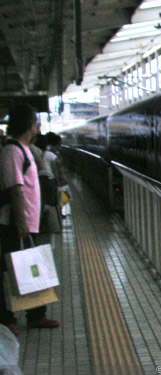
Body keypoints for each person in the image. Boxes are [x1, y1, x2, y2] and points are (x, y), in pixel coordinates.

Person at [0, 103, 60, 336]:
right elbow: (15, 189)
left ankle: (36, 315)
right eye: (36, 122)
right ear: (28, 126)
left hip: (27, 220)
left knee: (30, 268)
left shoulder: (24, 149)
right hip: (14, 222)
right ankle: (6, 319)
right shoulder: (12, 151)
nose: (38, 126)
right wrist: (22, 222)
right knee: (9, 271)